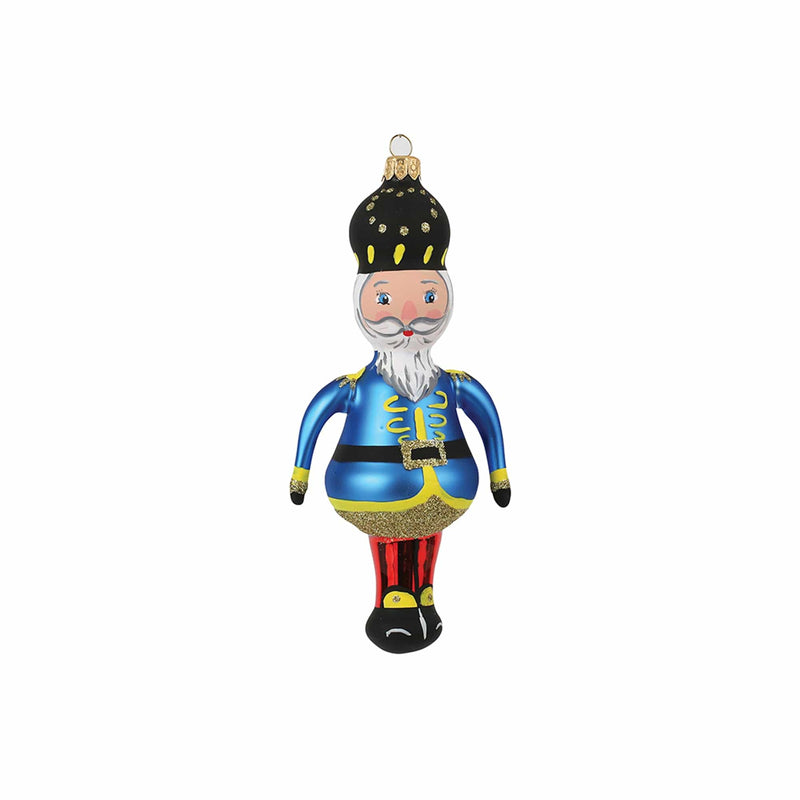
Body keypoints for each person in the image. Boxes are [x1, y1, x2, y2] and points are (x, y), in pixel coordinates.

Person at [289, 144, 510, 653]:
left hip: (446, 488)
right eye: (386, 299)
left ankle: (424, 595)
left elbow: (486, 415)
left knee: (428, 535)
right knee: (391, 536)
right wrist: (300, 473)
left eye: (428, 297)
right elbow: (318, 413)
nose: (408, 319)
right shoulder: (357, 388)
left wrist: (499, 472)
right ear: (362, 298)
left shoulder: (451, 382)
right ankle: (391, 601)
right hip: (374, 487)